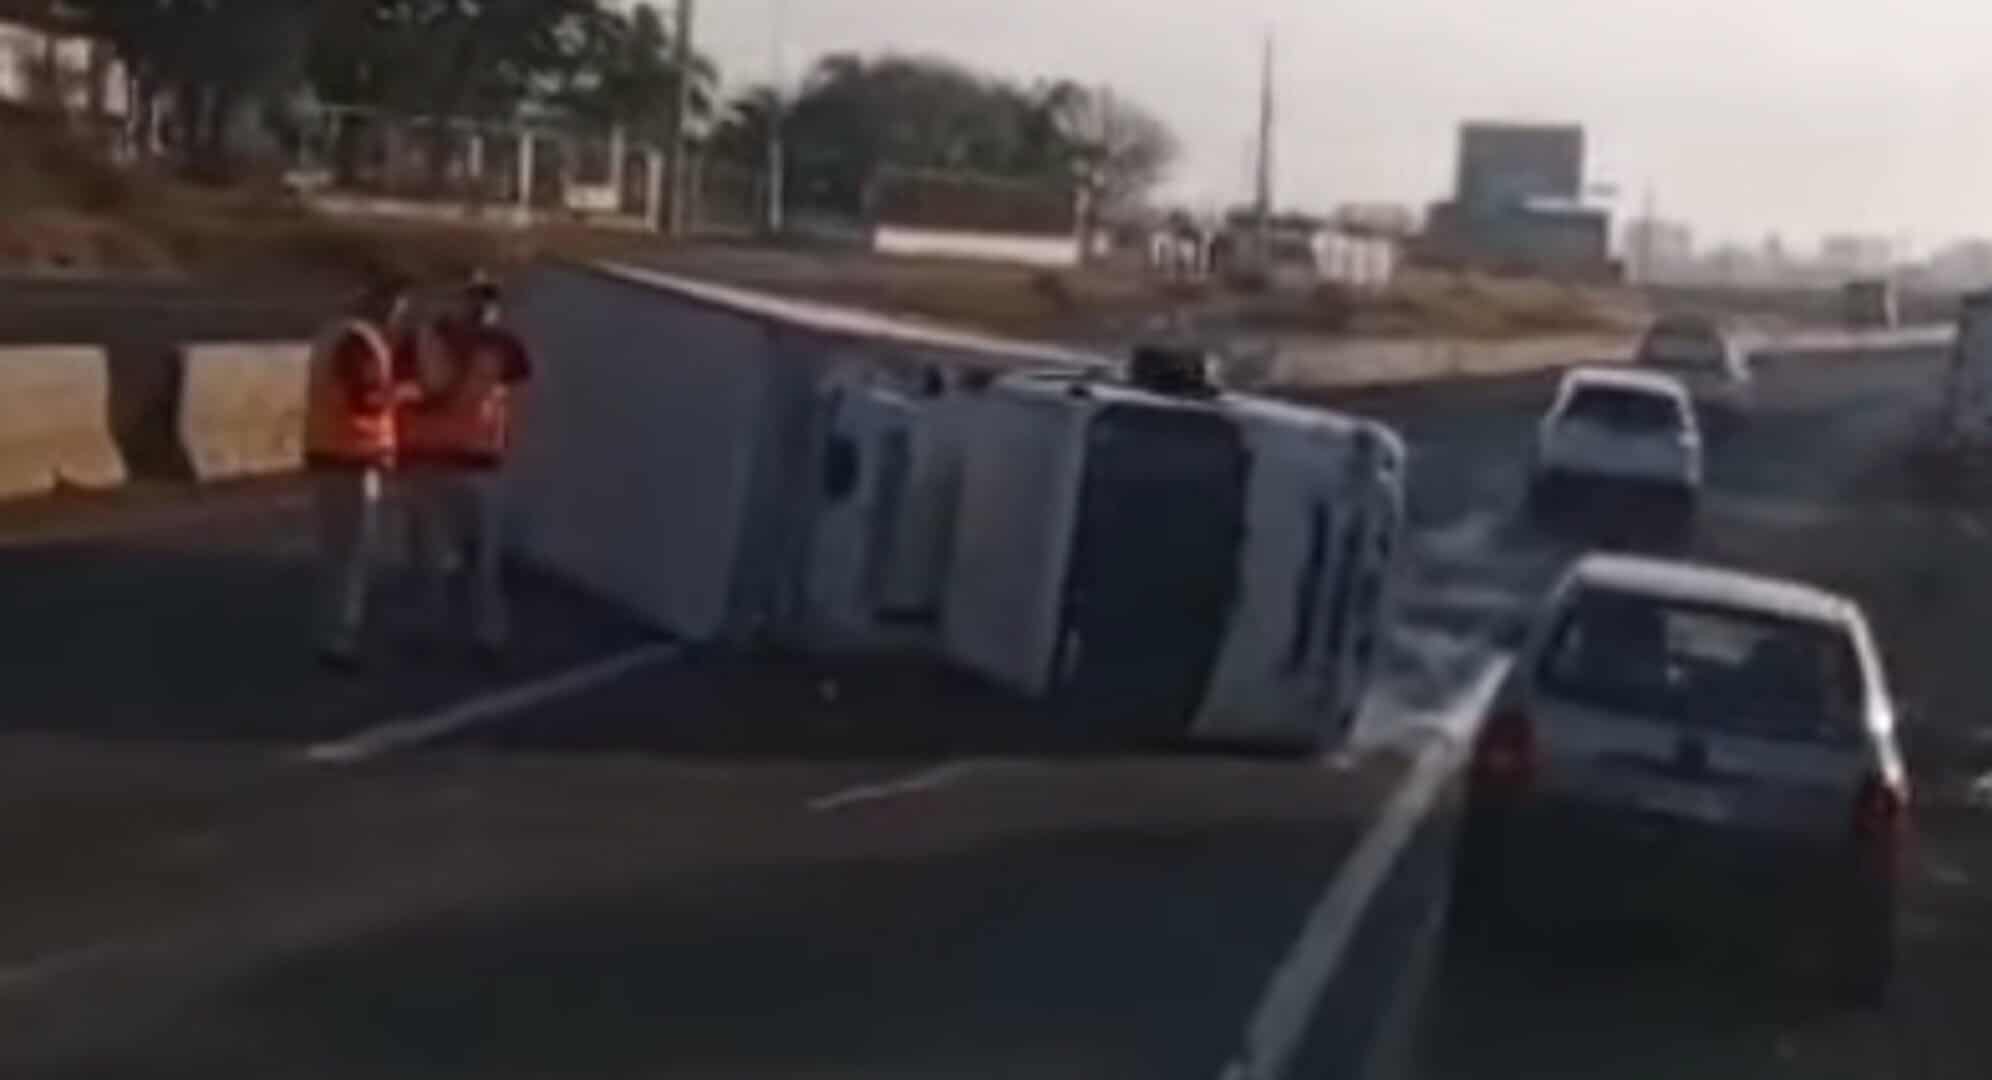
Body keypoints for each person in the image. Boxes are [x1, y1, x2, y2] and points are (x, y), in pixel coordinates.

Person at [401, 270, 532, 663]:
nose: (483, 306)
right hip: (436, 459)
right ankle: (434, 629)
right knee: (430, 556)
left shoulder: (503, 345)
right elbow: (404, 387)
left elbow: (517, 397)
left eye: (489, 298)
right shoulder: (433, 338)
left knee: (480, 558)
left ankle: (486, 635)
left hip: (477, 462)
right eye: (475, 297)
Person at [306, 274, 410, 671]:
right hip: (353, 458)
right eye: (396, 306)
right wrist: (402, 394)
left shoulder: (332, 334)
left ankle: (330, 631)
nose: (398, 316)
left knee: (334, 553)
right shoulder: (360, 342)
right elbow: (365, 398)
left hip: (329, 453)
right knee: (352, 555)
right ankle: (341, 638)